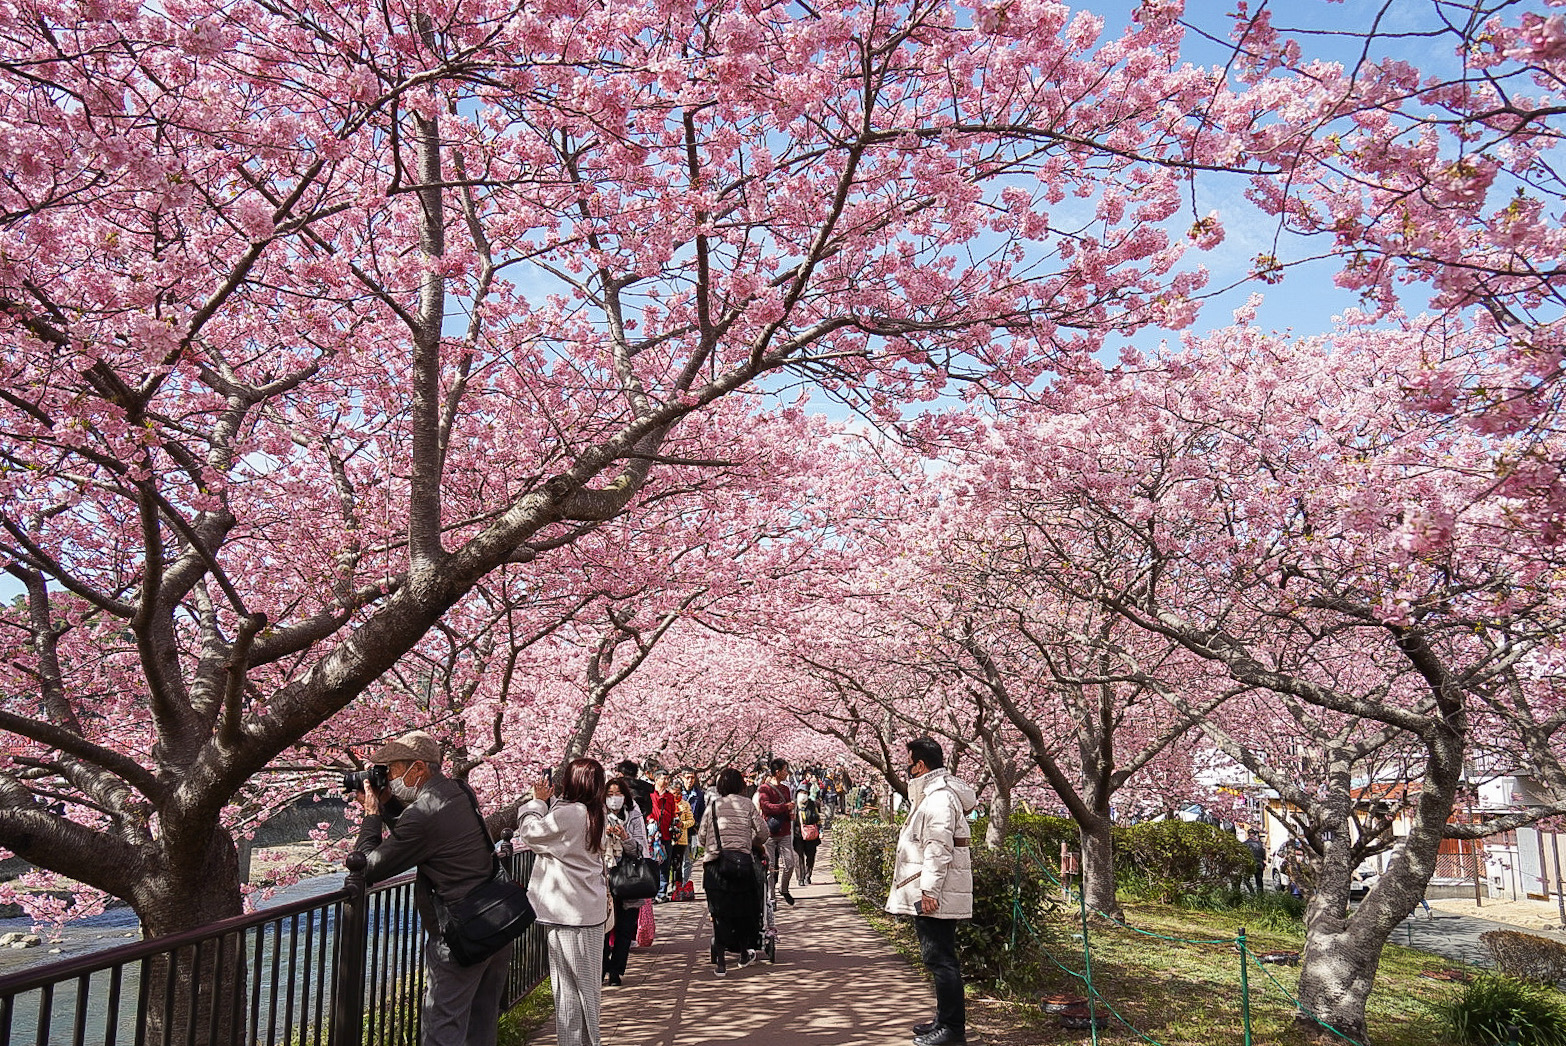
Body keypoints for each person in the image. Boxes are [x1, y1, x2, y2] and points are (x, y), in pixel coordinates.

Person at [352, 730, 512, 1046]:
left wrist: (371, 815)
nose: (389, 777)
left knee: (443, 1028)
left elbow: (369, 866)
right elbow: (419, 839)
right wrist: (387, 804)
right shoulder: (458, 791)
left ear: (420, 768)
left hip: (461, 933)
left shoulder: (425, 812)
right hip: (494, 920)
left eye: (393, 769)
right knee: (480, 1026)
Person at [886, 737, 977, 1046]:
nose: (906, 769)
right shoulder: (937, 794)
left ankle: (952, 1029)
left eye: (908, 763)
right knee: (938, 958)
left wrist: (929, 891)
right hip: (937, 888)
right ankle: (944, 1020)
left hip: (936, 891)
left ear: (920, 765)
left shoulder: (939, 799)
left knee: (941, 960)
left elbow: (938, 849)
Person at [517, 758, 612, 1046]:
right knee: (582, 988)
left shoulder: (571, 813)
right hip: (585, 911)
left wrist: (536, 804)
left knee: (570, 990)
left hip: (570, 914)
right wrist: (552, 802)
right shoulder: (595, 812)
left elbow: (531, 833)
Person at [697, 767, 769, 976]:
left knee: (719, 913)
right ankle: (744, 954)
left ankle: (720, 963)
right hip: (741, 865)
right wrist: (750, 842)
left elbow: (702, 837)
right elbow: (763, 833)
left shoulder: (713, 806)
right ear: (740, 785)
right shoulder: (746, 804)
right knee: (742, 910)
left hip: (715, 867)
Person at [602, 776, 649, 986]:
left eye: (618, 794)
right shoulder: (597, 816)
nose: (614, 799)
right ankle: (602, 966)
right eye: (610, 794)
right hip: (604, 879)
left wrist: (625, 837)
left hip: (630, 879)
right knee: (602, 927)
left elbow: (640, 849)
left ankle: (616, 970)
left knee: (625, 927)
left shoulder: (634, 815)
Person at [757, 758, 797, 919]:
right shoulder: (764, 789)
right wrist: (784, 807)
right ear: (778, 772)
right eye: (785, 770)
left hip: (785, 830)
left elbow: (785, 806)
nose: (787, 772)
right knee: (770, 868)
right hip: (769, 833)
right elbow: (765, 806)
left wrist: (790, 811)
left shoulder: (786, 789)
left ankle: (784, 889)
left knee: (790, 863)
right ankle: (772, 898)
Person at [649, 773, 680, 900]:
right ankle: (652, 892)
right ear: (656, 779)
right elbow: (646, 811)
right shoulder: (650, 795)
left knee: (665, 865)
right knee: (652, 864)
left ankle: (662, 892)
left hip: (666, 834)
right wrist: (650, 820)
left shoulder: (669, 796)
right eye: (664, 778)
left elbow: (672, 813)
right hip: (653, 835)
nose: (666, 781)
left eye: (668, 779)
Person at [680, 769, 707, 886]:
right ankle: (674, 884)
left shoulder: (699, 794)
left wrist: (698, 825)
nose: (690, 780)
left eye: (692, 778)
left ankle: (684, 884)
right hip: (678, 830)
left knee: (689, 858)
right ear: (682, 778)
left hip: (691, 830)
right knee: (676, 859)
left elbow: (702, 812)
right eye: (687, 777)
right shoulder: (676, 792)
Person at [793, 790, 823, 887]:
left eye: (805, 793)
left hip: (811, 834)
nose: (803, 795)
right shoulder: (793, 805)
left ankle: (807, 875)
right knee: (798, 856)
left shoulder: (812, 804)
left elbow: (817, 818)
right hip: (798, 834)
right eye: (801, 793)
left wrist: (820, 830)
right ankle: (800, 878)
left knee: (810, 856)